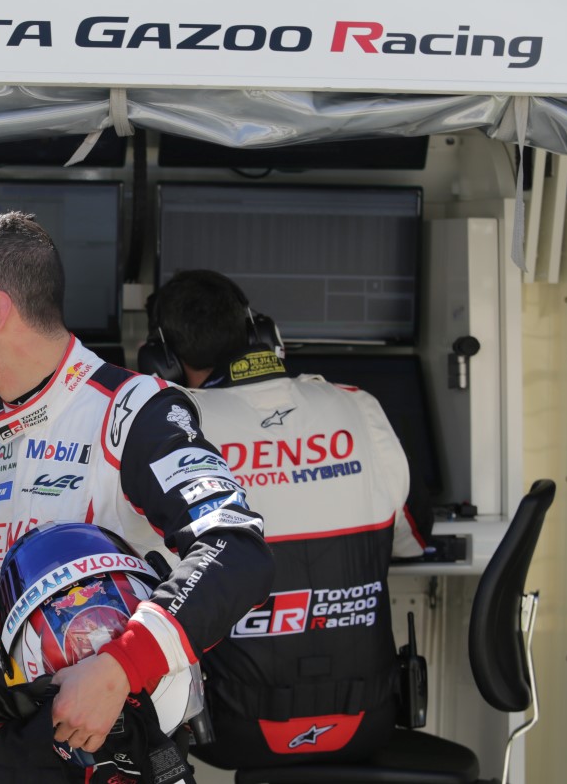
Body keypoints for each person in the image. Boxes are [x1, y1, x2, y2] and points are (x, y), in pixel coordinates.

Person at [0, 212, 275, 783]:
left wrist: (118, 667)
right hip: (2, 752)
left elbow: (237, 551)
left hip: (109, 746)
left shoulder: (134, 412)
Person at [147, 269, 426, 769]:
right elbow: (411, 540)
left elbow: (143, 558)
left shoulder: (176, 429)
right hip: (369, 716)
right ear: (261, 333)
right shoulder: (357, 406)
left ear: (162, 360)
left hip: (231, 728)